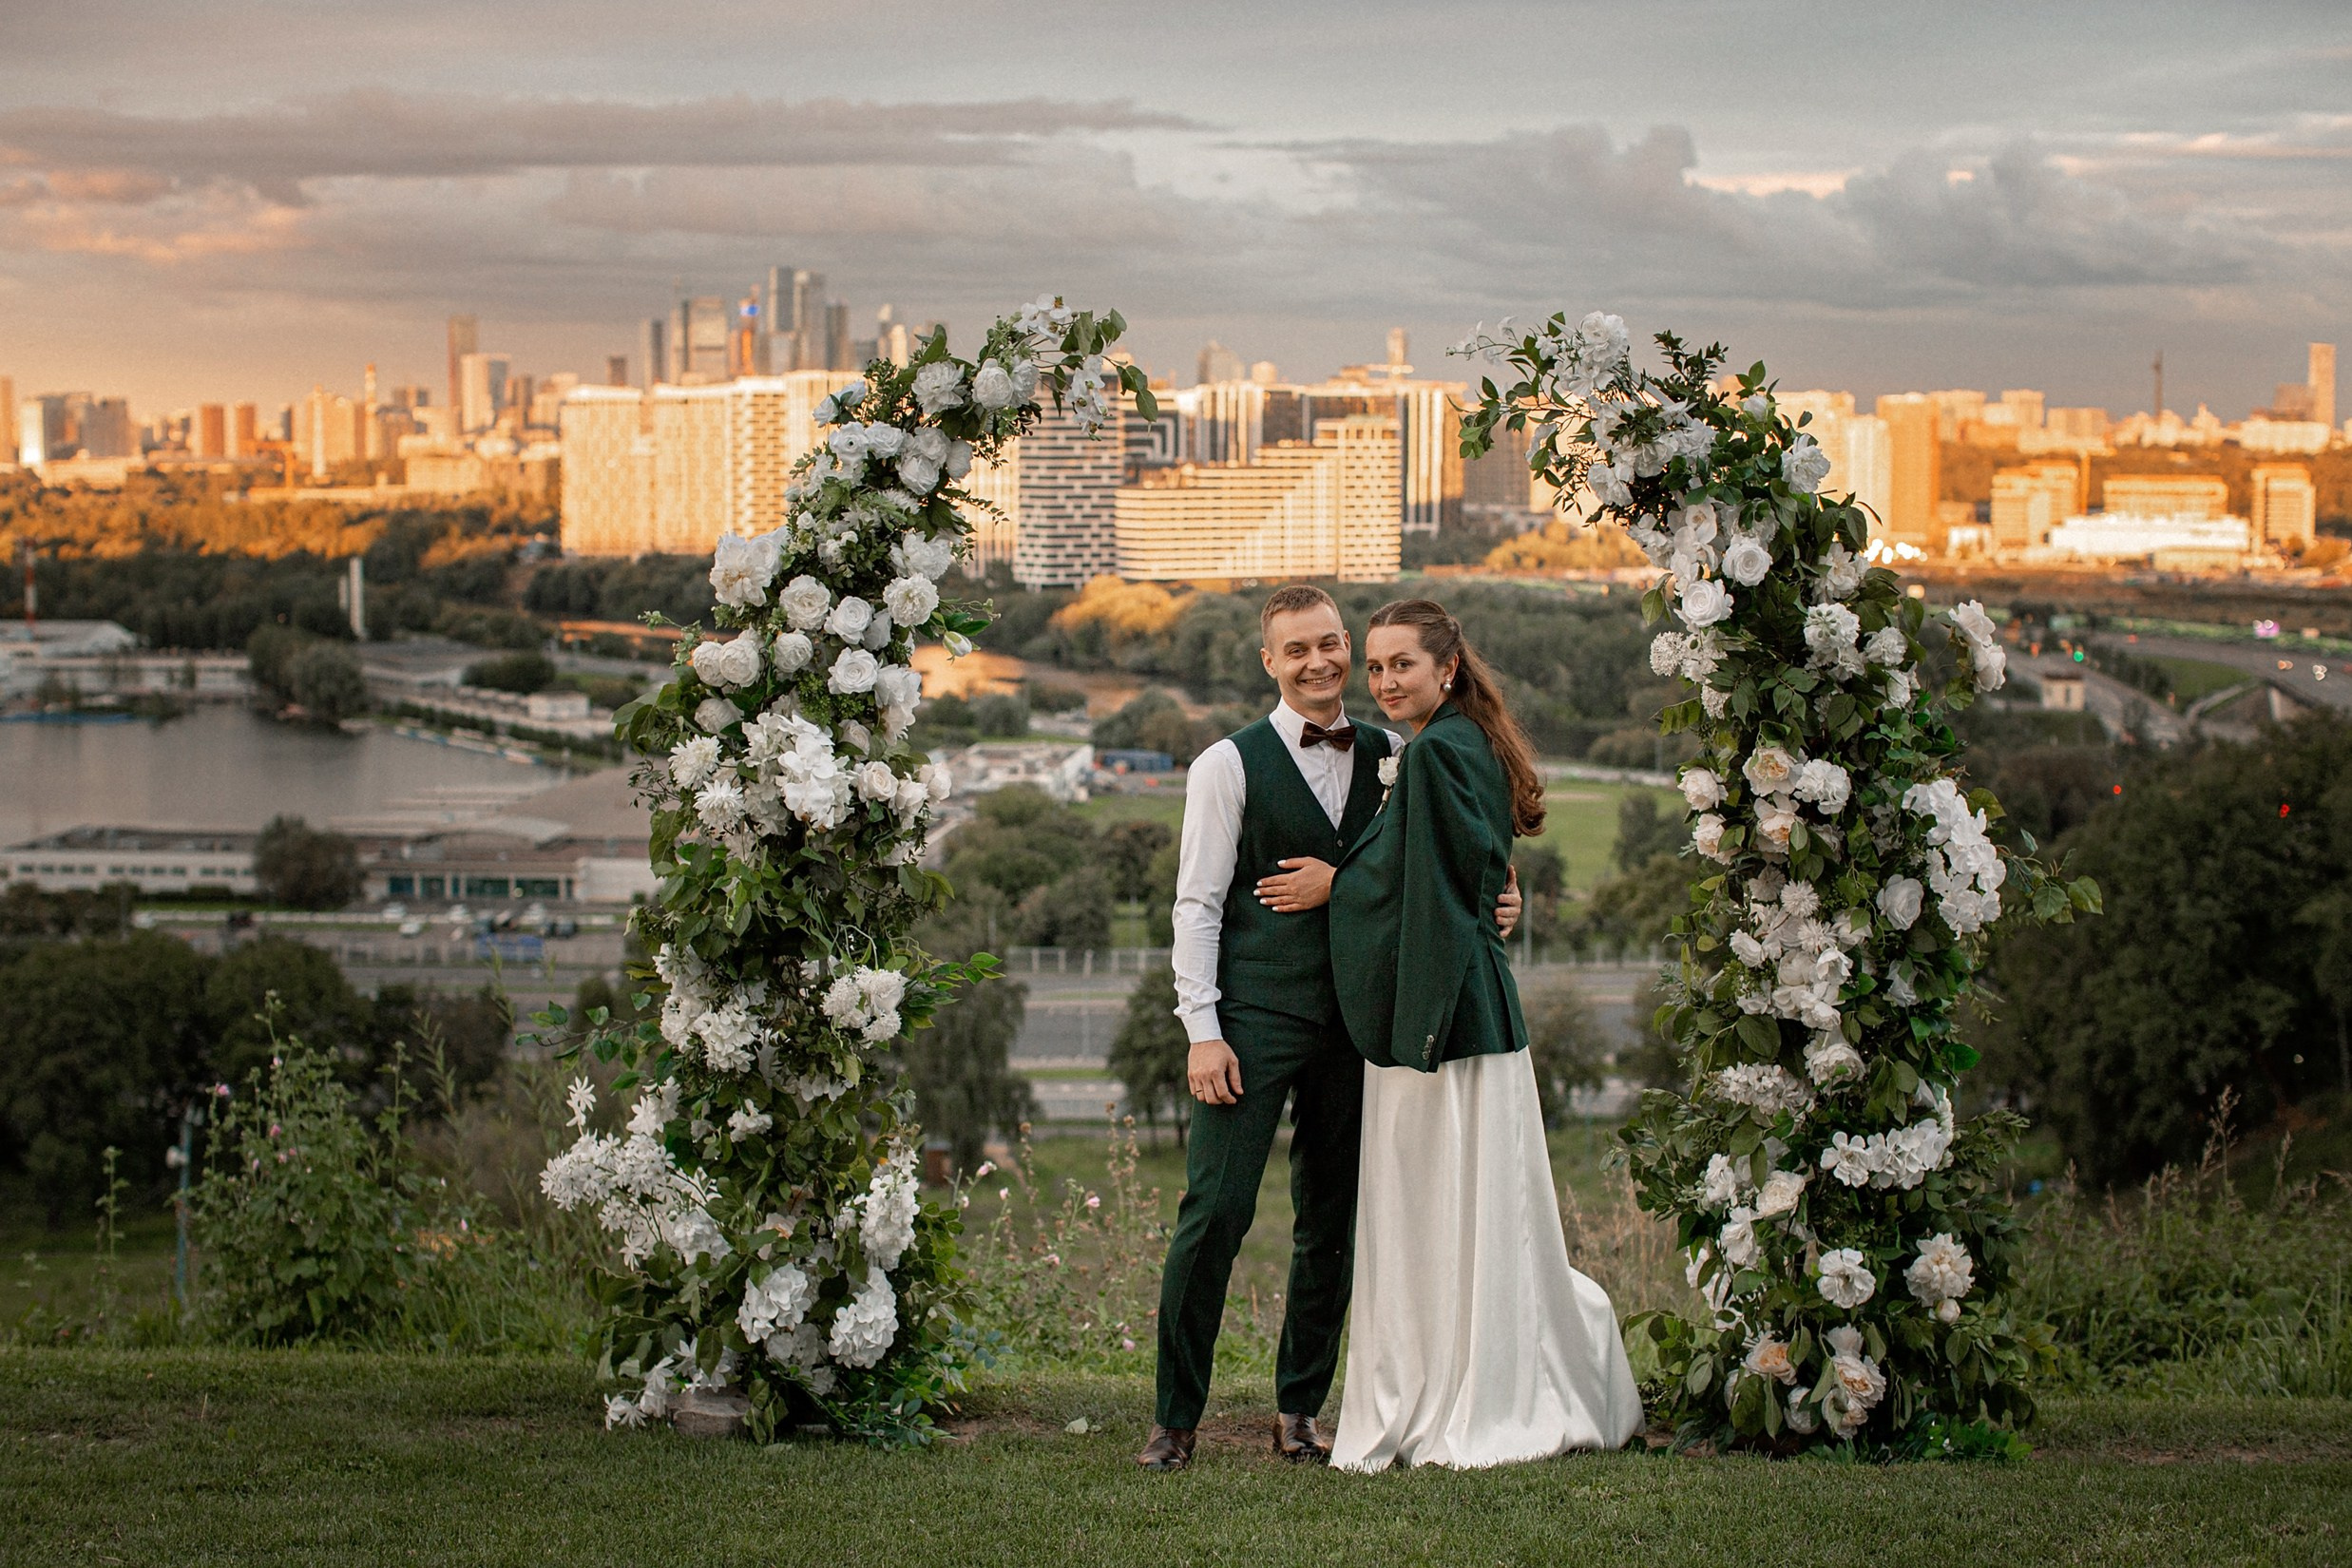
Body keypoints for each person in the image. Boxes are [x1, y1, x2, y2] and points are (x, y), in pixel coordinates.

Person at [1138, 584, 1521, 1473]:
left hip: (1361, 1028)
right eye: (1296, 650)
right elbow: (1195, 906)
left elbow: (1445, 863)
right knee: (1215, 1213)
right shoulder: (1224, 766)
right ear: (1267, 662)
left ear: (1348, 648)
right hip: (1253, 1021)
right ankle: (1173, 1416)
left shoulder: (1398, 750)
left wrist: (1503, 898)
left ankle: (1299, 1408)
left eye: (1331, 645)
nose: (1319, 664)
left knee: (1333, 1222)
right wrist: (1202, 1028)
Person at [1259, 598, 1643, 1472]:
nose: (1386, 683)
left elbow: (1424, 890)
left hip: (1436, 1022)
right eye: (1379, 667)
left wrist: (1336, 884)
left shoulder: (1436, 752)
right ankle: (1479, 1369)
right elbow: (1468, 872)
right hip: (1468, 1009)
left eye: (1404, 666)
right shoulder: (1456, 742)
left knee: (1435, 1205)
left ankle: (1452, 1389)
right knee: (1472, 1208)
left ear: (1447, 668)